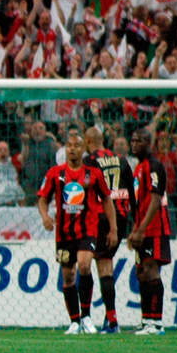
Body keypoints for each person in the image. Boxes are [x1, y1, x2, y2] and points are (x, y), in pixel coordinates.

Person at [36, 133, 118, 335]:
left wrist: (113, 228)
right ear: (65, 149)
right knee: (68, 276)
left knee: (84, 265)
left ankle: (86, 315)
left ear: (83, 149)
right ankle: (74, 321)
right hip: (64, 234)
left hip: (87, 230)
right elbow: (42, 198)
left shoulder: (94, 173)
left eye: (76, 146)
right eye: (69, 145)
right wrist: (45, 216)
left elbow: (107, 199)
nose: (72, 149)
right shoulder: (55, 173)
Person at [83, 127, 135, 332]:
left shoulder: (89, 161)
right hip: (121, 217)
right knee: (106, 264)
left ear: (88, 141)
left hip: (100, 216)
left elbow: (85, 188)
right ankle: (110, 318)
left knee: (100, 266)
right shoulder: (122, 160)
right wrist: (134, 222)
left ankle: (110, 320)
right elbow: (132, 192)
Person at [127, 129, 173, 335]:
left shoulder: (154, 166)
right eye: (133, 140)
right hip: (143, 229)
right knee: (142, 273)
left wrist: (142, 229)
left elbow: (155, 200)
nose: (134, 144)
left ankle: (156, 322)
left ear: (149, 143)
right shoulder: (138, 168)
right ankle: (147, 320)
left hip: (155, 228)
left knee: (151, 270)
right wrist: (135, 230)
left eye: (139, 141)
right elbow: (139, 203)